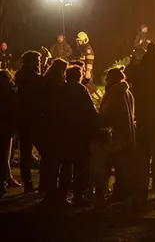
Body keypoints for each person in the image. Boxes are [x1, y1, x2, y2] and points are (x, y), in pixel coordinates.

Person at [128, 42, 155, 204]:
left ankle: (140, 193)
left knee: (142, 158)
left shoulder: (139, 71)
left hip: (142, 117)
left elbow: (129, 74)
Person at [95, 67, 136, 203]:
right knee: (121, 167)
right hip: (125, 133)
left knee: (105, 165)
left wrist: (98, 120)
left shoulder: (114, 93)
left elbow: (107, 113)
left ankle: (102, 193)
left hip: (113, 134)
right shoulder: (127, 92)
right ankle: (121, 192)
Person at [62, 66, 98, 204]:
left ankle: (63, 193)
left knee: (66, 164)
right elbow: (89, 110)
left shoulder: (63, 89)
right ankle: (78, 195)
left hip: (66, 131)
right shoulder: (80, 89)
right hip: (79, 131)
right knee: (80, 164)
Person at [38, 59, 70, 204]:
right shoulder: (58, 87)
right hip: (56, 125)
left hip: (46, 125)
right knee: (58, 159)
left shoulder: (45, 83)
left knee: (48, 159)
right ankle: (54, 192)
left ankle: (46, 189)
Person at [15, 51, 43, 193]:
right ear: (32, 62)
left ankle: (28, 185)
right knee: (45, 152)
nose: (40, 62)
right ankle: (43, 183)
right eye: (38, 60)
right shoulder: (34, 79)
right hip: (34, 119)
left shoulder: (21, 76)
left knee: (25, 154)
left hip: (23, 119)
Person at [0, 70, 17, 198]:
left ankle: (4, 181)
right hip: (6, 126)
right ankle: (2, 183)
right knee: (5, 154)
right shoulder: (10, 92)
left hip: (5, 125)